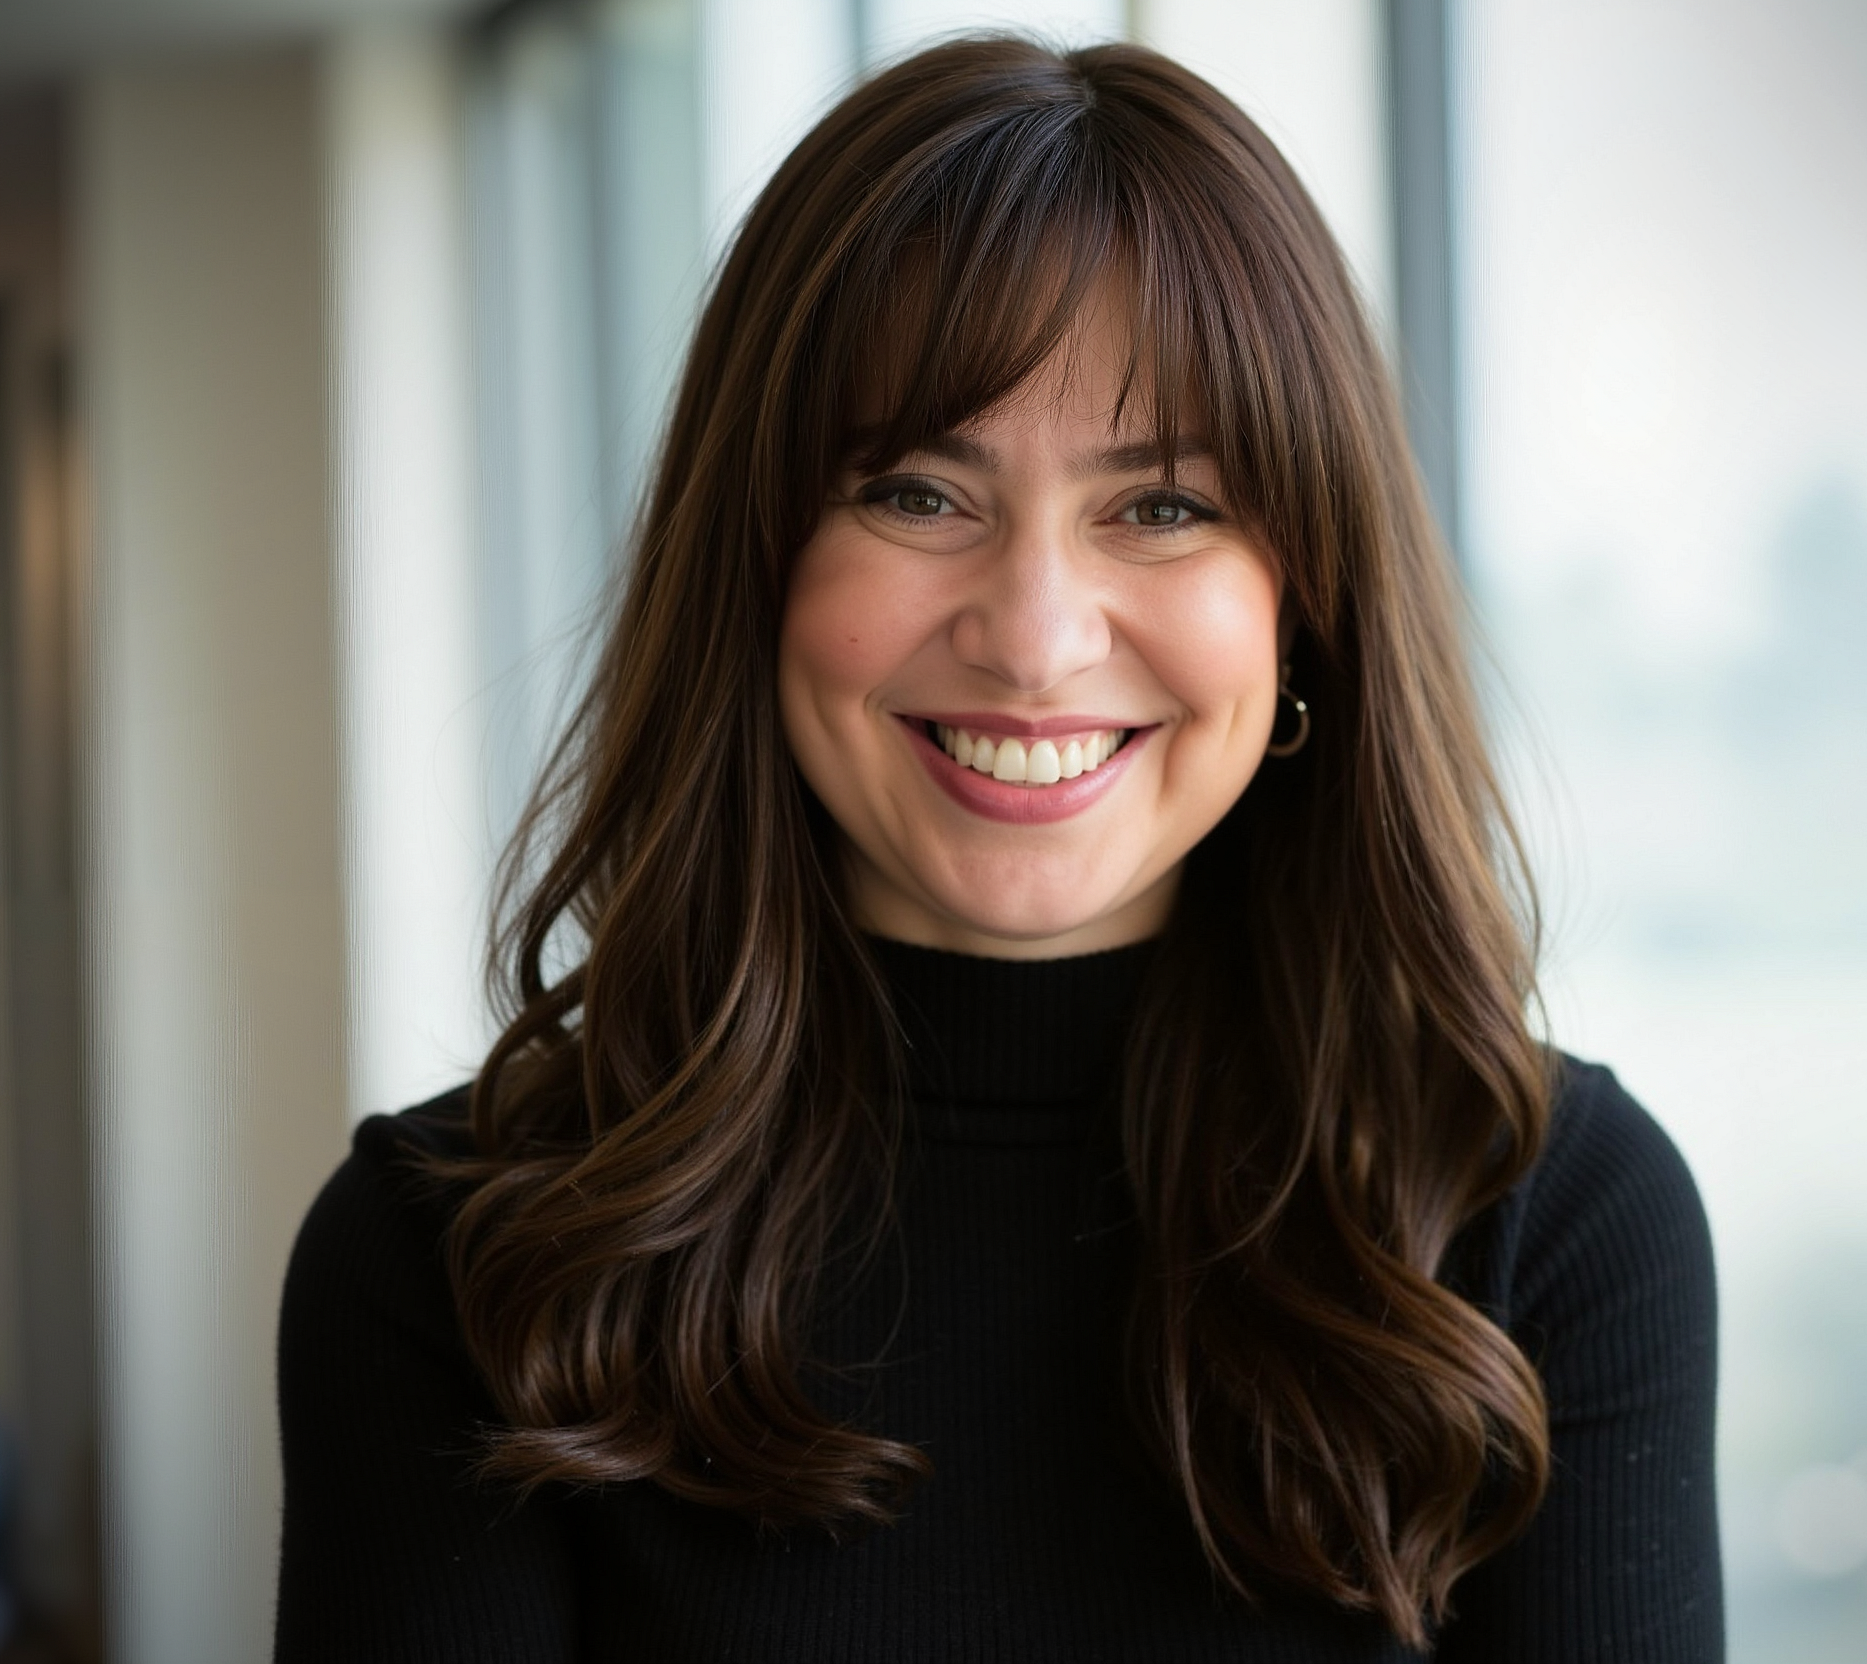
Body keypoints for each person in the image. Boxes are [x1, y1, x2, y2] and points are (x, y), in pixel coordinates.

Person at [274, 35, 1719, 1663]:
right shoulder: (449, 1259)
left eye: (1161, 507)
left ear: (1305, 603)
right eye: (917, 493)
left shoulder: (1547, 1226)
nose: (1034, 640)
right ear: (755, 566)